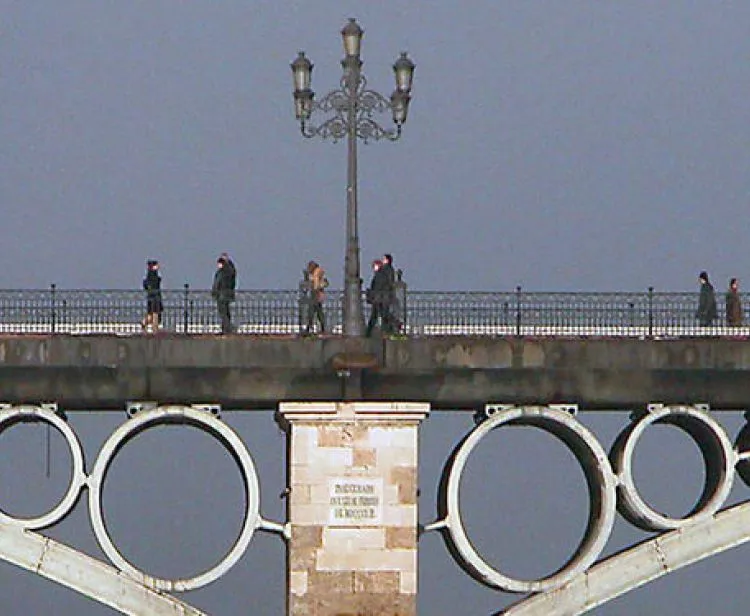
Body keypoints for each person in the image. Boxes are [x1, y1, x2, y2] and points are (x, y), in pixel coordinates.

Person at [212, 253, 237, 334]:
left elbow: (220, 282)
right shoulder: (224, 271)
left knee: (224, 312)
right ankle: (226, 328)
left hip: (223, 294)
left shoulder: (226, 270)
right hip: (222, 294)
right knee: (224, 312)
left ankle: (227, 328)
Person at [366, 259, 389, 337]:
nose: (373, 268)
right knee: (381, 315)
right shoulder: (382, 275)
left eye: (374, 266)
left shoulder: (379, 275)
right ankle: (385, 331)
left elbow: (377, 287)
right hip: (380, 298)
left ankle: (368, 332)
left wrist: (372, 293)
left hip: (379, 298)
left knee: (376, 315)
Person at [304, 260, 328, 335]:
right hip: (317, 294)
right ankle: (320, 327)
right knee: (318, 312)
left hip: (316, 294)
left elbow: (316, 284)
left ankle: (309, 328)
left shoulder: (316, 273)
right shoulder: (317, 273)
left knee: (313, 311)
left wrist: (316, 289)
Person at [141, 259, 162, 333]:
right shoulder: (153, 275)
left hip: (151, 297)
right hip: (155, 297)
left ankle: (145, 323)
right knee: (155, 314)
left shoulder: (149, 275)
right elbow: (155, 283)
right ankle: (154, 329)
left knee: (151, 314)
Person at [380, 253, 397, 334]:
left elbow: (388, 282)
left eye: (384, 259)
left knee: (385, 313)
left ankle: (389, 328)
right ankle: (388, 327)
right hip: (384, 294)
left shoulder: (387, 269)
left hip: (385, 294)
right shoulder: (388, 269)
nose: (382, 260)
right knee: (384, 312)